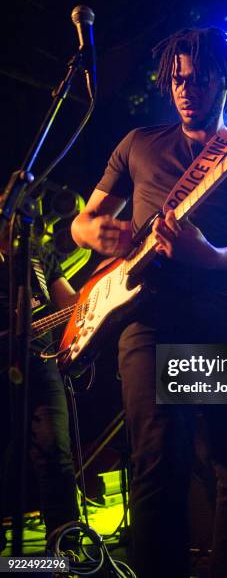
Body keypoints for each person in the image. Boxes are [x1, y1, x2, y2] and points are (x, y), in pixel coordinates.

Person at [71, 27, 227, 578]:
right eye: (177, 79)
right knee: (158, 467)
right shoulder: (138, 143)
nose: (185, 89)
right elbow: (83, 220)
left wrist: (209, 254)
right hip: (151, 320)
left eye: (198, 78)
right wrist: (101, 235)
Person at [0, 229, 79, 551]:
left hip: (40, 361)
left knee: (55, 450)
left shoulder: (35, 253)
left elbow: (70, 303)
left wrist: (109, 287)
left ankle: (67, 547)